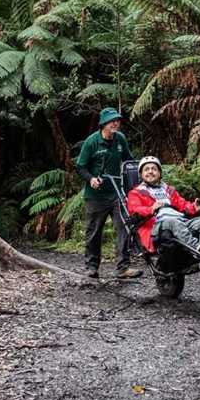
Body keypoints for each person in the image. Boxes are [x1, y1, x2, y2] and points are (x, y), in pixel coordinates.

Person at [75, 107, 143, 279]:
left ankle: (123, 267)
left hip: (117, 193)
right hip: (96, 196)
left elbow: (129, 161)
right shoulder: (92, 142)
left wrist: (142, 174)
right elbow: (80, 166)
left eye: (117, 120)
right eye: (112, 120)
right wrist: (91, 179)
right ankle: (92, 267)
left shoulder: (120, 139)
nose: (115, 123)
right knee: (94, 231)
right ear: (103, 124)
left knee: (123, 227)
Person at [127, 156, 200, 258]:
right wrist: (151, 209)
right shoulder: (136, 193)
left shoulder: (168, 190)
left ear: (159, 173)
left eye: (154, 169)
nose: (150, 172)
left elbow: (182, 204)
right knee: (173, 222)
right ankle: (196, 250)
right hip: (156, 225)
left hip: (180, 221)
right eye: (146, 169)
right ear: (141, 174)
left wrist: (194, 207)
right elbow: (134, 209)